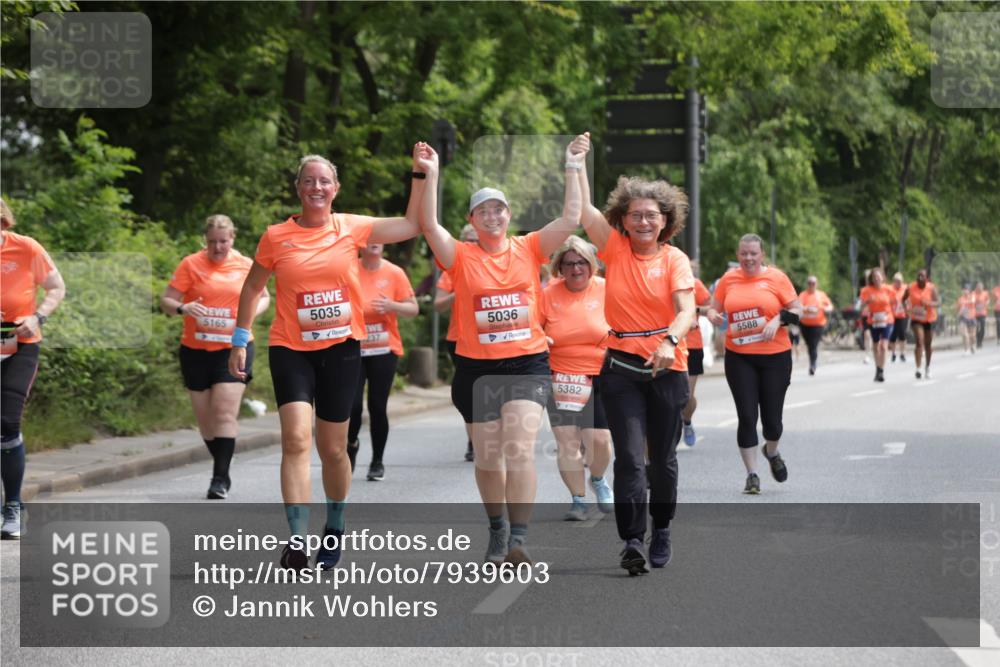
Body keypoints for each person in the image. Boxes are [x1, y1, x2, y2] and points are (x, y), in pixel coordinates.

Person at [228, 147, 428, 570]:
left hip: (341, 349)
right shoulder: (276, 236)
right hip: (291, 349)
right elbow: (252, 288)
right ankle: (297, 541)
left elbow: (412, 224)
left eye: (324, 181)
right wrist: (240, 339)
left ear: (335, 189)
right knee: (296, 440)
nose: (316, 187)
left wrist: (420, 174)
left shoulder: (351, 227)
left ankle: (335, 525)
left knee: (334, 449)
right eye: (308, 181)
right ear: (298, 188)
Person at [418, 135, 587, 566]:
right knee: (489, 459)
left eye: (499, 209)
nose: (492, 216)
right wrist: (430, 174)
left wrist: (572, 165)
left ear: (508, 215)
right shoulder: (460, 256)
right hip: (475, 368)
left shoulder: (529, 247)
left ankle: (518, 540)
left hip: (527, 364)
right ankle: (497, 528)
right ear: (472, 220)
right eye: (483, 211)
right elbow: (428, 225)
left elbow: (571, 219)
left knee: (519, 449)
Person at [576, 165, 696, 576]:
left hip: (667, 368)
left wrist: (670, 341)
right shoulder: (614, 248)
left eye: (651, 215)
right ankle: (631, 540)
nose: (643, 222)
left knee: (660, 460)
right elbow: (584, 210)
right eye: (636, 215)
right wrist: (576, 165)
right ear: (623, 220)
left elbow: (686, 311)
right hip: (621, 367)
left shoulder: (674, 259)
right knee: (628, 457)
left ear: (665, 221)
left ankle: (661, 528)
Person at [161, 215, 270, 500]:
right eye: (212, 242)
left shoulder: (245, 264)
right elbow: (166, 301)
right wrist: (183, 308)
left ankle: (219, 478)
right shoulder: (191, 264)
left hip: (234, 348)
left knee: (223, 412)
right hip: (195, 351)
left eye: (223, 241)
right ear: (205, 240)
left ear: (232, 238)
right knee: (206, 420)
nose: (218, 247)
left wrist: (248, 315)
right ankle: (223, 455)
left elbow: (264, 297)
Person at [707, 234, 802, 496]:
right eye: (744, 253)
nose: (748, 258)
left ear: (762, 255)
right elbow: (713, 308)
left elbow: (799, 310)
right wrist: (713, 315)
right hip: (739, 356)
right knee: (747, 416)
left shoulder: (777, 278)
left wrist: (778, 320)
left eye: (753, 254)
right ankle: (752, 475)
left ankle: (772, 451)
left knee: (772, 422)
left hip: (775, 356)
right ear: (738, 255)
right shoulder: (728, 280)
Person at [1, 198, 66, 539]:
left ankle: (13, 505)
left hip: (20, 345)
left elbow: (57, 287)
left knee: (7, 422)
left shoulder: (26, 248)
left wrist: (36, 316)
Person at [538, 236, 614, 521]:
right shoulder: (548, 294)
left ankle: (598, 478)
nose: (576, 269)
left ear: (592, 265)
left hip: (600, 374)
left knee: (600, 440)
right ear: (560, 267)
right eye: (569, 263)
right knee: (568, 441)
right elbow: (533, 327)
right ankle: (578, 500)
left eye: (582, 262)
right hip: (560, 376)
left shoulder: (607, 289)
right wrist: (541, 337)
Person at [346, 242, 418, 480]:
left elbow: (413, 308)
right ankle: (351, 445)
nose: (374, 242)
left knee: (377, 406)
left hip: (384, 348)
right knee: (353, 407)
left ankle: (377, 461)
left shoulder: (394, 272)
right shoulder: (348, 269)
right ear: (360, 245)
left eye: (378, 238)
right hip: (353, 346)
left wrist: (391, 305)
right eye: (369, 238)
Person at [434, 224, 478, 462]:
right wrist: (458, 292)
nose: (473, 244)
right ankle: (474, 440)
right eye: (468, 240)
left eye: (476, 240)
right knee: (470, 392)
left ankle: (491, 435)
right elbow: (438, 305)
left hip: (491, 340)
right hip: (458, 338)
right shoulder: (452, 269)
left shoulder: (493, 264)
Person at [681, 260, 712, 445]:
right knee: (671, 394)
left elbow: (711, 308)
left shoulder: (696, 285)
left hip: (692, 345)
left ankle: (687, 421)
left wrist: (693, 310)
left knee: (686, 395)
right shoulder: (663, 282)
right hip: (669, 344)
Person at [858, 267, 896, 382]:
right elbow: (861, 306)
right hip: (873, 320)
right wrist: (867, 302)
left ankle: (881, 371)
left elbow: (894, 303)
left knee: (883, 346)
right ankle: (877, 368)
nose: (877, 279)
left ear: (883, 278)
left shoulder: (889, 289)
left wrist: (892, 313)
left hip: (887, 320)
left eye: (878, 277)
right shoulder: (866, 290)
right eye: (874, 277)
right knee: (875, 346)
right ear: (872, 279)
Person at [906, 268, 940, 379]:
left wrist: (929, 303)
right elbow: (903, 299)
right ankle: (918, 368)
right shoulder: (911, 287)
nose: (920, 278)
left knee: (928, 344)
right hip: (916, 318)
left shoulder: (931, 288)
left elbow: (938, 302)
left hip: (929, 319)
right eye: (918, 276)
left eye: (922, 276)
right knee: (919, 341)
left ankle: (928, 367)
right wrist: (906, 308)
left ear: (927, 278)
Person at [798, 275, 834, 375]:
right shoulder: (803, 295)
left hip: (818, 324)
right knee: (809, 345)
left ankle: (813, 365)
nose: (811, 285)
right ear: (807, 284)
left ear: (816, 284)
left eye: (813, 283)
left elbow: (830, 306)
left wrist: (826, 309)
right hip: (805, 324)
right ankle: (812, 362)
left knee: (813, 345)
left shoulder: (821, 295)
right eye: (809, 283)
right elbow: (798, 306)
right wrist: (806, 309)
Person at [889, 272, 908, 364]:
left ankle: (902, 353)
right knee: (893, 335)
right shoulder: (890, 289)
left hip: (902, 315)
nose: (898, 283)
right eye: (897, 281)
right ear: (894, 281)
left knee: (902, 334)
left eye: (900, 281)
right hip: (892, 315)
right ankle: (893, 353)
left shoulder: (905, 288)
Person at [956, 285, 977, 355]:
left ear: (969, 290)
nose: (965, 291)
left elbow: (973, 301)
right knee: (964, 334)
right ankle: (966, 349)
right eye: (964, 289)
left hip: (972, 317)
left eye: (967, 289)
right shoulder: (960, 299)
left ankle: (972, 345)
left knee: (973, 335)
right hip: (963, 318)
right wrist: (958, 313)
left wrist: (965, 303)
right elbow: (958, 308)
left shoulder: (972, 296)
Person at [973, 281, 988, 349]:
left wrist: (986, 303)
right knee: (976, 328)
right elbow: (972, 301)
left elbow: (988, 300)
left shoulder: (985, 293)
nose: (980, 289)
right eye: (978, 287)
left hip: (983, 313)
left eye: (981, 287)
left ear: (983, 287)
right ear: (976, 287)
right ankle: (977, 341)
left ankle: (980, 341)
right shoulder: (973, 293)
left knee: (982, 327)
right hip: (975, 313)